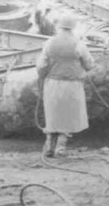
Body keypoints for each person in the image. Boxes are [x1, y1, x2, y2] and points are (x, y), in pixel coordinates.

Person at [35, 12, 95, 157]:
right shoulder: (79, 44)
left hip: (53, 84)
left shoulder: (49, 43)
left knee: (53, 115)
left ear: (59, 27)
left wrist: (43, 76)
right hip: (72, 85)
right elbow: (89, 64)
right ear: (73, 28)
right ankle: (61, 147)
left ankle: (49, 145)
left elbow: (41, 65)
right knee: (68, 116)